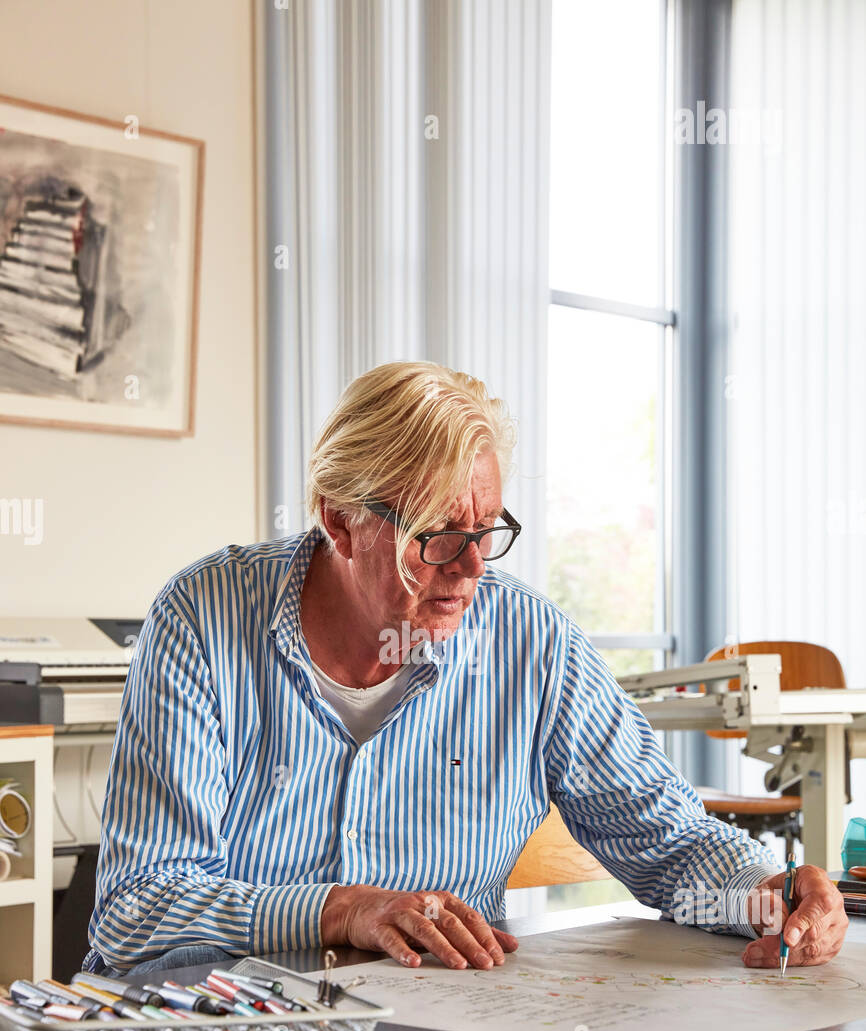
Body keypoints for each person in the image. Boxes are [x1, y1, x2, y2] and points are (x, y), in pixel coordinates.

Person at [82, 361, 848, 979]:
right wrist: (343, 909)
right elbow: (139, 907)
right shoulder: (201, 617)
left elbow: (668, 846)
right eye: (437, 534)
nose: (472, 567)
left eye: (487, 530)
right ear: (339, 520)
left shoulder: (530, 641)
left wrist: (767, 892)